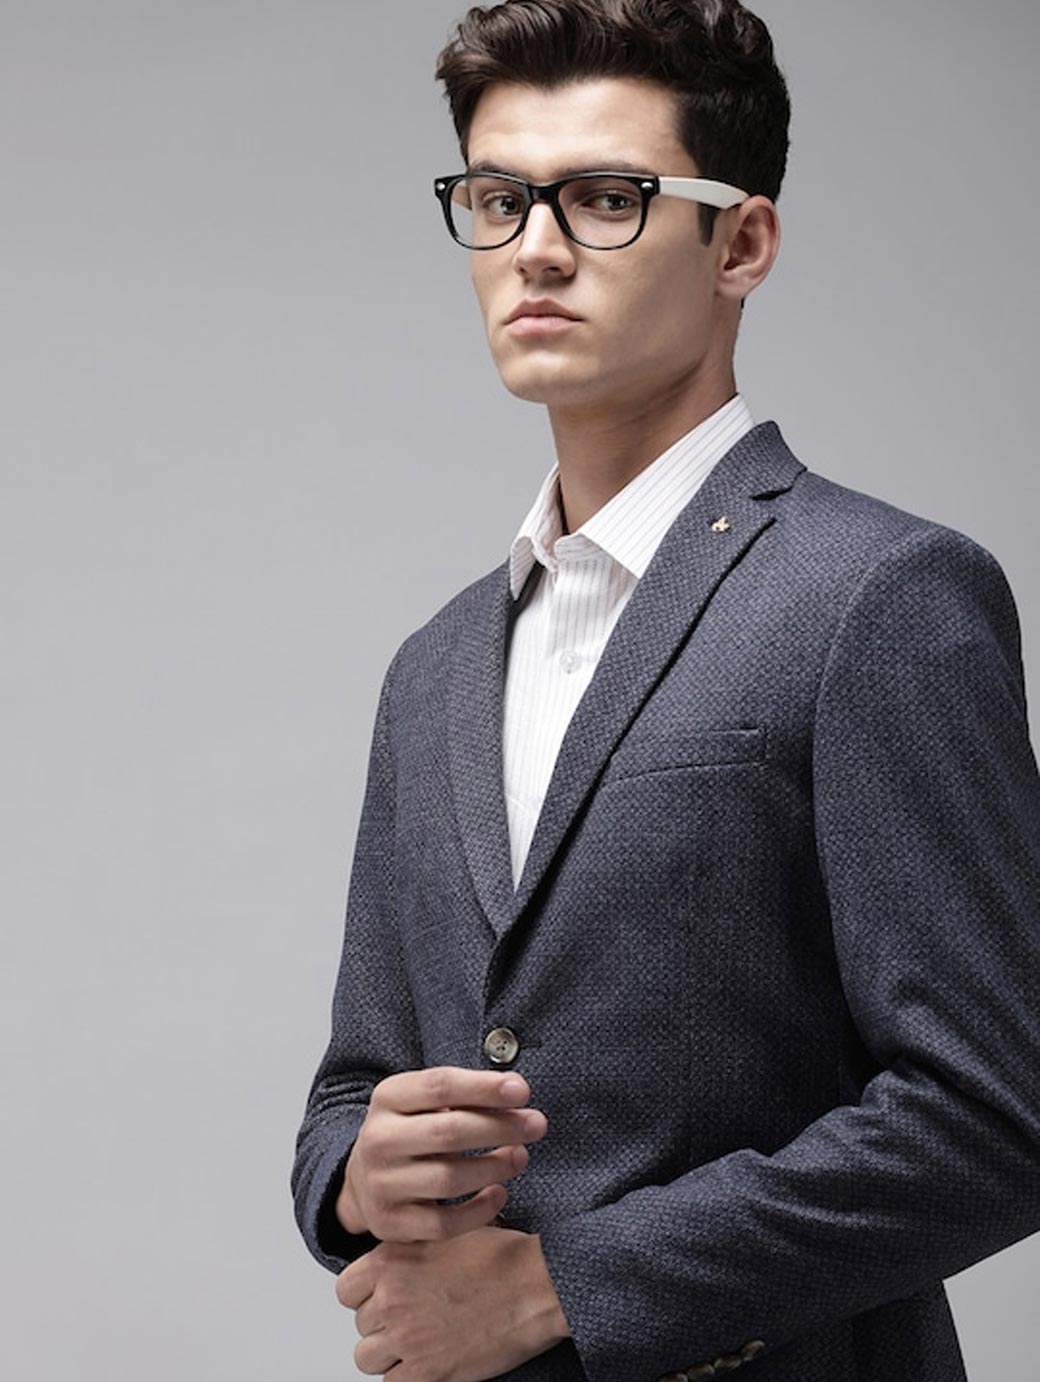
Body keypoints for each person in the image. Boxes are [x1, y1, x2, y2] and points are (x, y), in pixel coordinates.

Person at [290, 2, 1040, 1378]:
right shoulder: (434, 667)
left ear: (740, 243)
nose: (536, 248)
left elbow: (999, 1112)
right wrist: (355, 1174)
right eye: (499, 199)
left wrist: (564, 1286)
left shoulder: (881, 595)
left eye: (607, 199)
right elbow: (352, 1082)